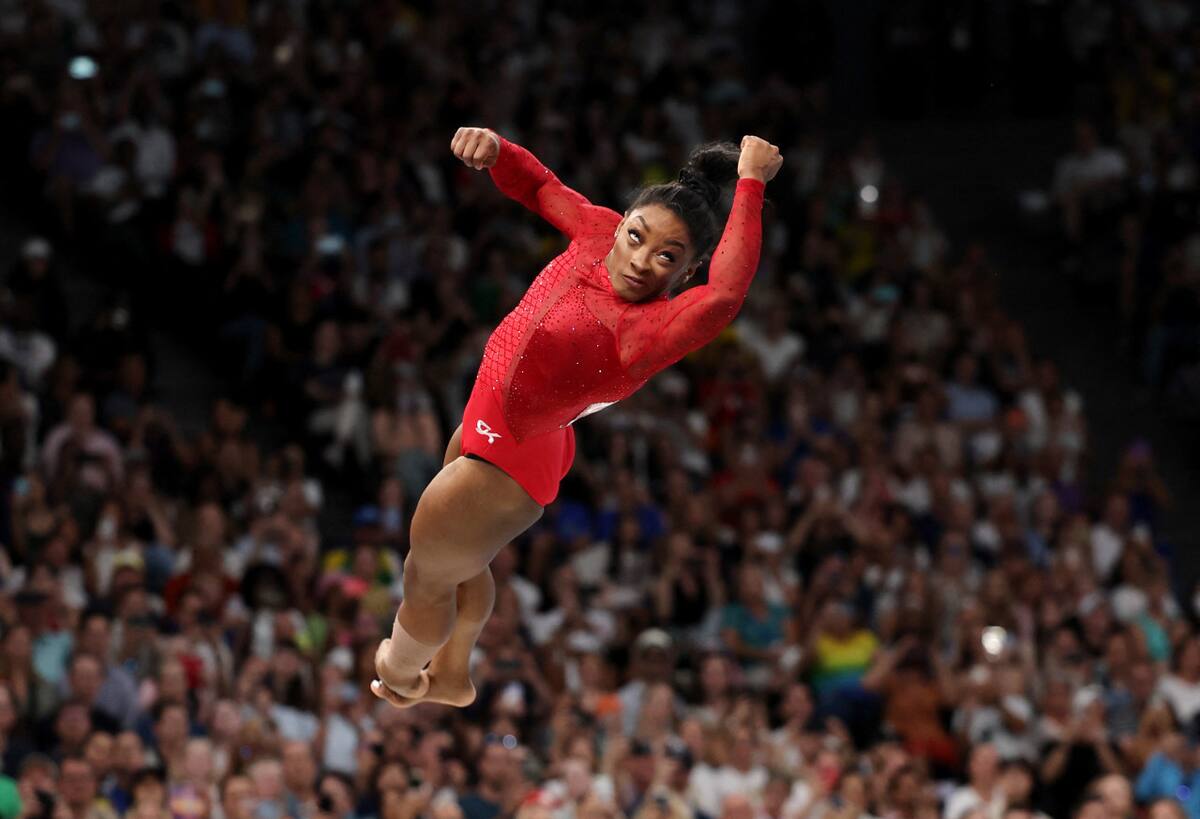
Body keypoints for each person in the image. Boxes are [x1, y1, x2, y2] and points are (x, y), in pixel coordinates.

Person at [370, 127, 782, 708]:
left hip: (511, 454)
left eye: (666, 257)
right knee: (462, 559)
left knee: (426, 575)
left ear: (685, 274)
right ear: (619, 226)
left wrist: (751, 185)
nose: (640, 261)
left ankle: (402, 674)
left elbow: (725, 295)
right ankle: (455, 669)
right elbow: (541, 187)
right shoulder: (593, 232)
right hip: (508, 426)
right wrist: (498, 151)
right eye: (635, 237)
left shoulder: (643, 332)